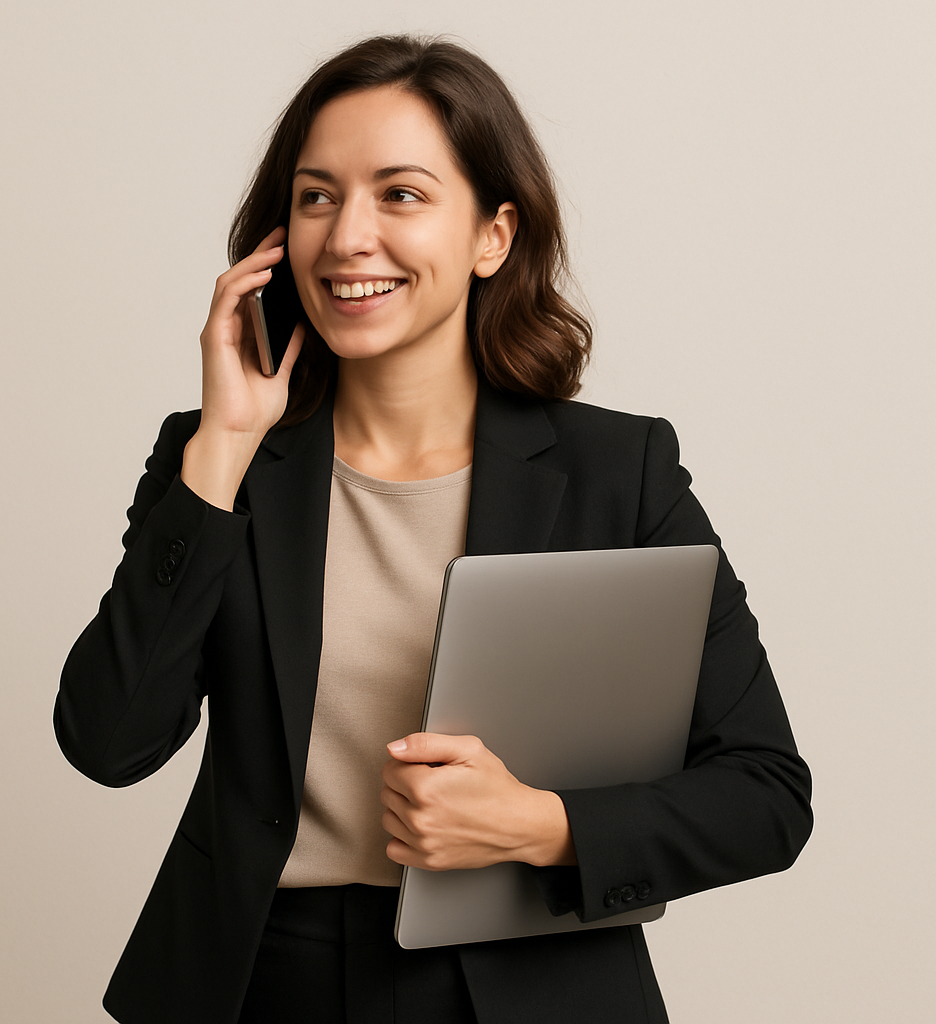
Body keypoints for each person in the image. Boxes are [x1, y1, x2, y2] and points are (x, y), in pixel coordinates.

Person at [55, 34, 812, 1024]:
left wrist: (540, 824)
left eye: (400, 195)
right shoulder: (218, 460)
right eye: (316, 196)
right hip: (260, 982)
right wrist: (221, 450)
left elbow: (763, 794)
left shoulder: (616, 475)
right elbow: (108, 741)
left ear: (492, 236)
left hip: (530, 989)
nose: (346, 236)